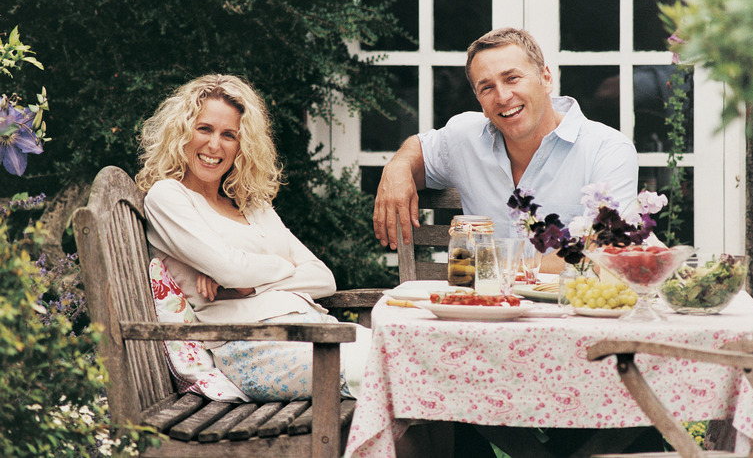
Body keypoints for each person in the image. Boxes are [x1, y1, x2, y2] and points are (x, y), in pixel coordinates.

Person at [136, 74, 369, 402]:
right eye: (205, 129)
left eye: (228, 135)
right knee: (380, 370)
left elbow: (323, 278)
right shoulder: (169, 197)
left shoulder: (252, 205)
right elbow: (232, 270)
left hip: (315, 328)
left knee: (401, 354)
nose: (215, 145)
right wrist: (276, 266)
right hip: (249, 344)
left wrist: (250, 284)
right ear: (182, 132)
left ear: (242, 145)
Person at [373, 27, 639, 273]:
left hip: (569, 314)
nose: (502, 97)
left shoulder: (608, 150)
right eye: (486, 87)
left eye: (512, 78)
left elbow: (610, 251)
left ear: (545, 78)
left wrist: (502, 267)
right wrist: (398, 167)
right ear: (479, 99)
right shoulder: (464, 137)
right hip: (482, 316)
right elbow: (418, 150)